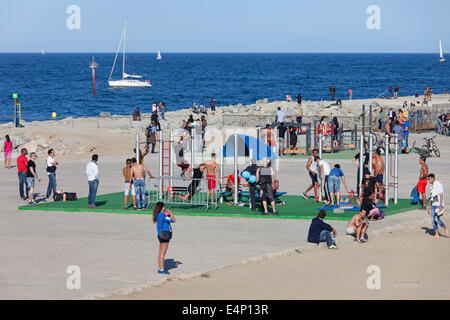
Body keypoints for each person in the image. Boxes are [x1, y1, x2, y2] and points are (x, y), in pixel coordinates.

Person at [153, 202, 176, 274]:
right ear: (162, 207)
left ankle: (160, 267)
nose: (165, 207)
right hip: (165, 235)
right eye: (164, 207)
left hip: (160, 234)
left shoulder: (158, 215)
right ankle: (162, 269)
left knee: (160, 252)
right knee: (163, 253)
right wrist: (170, 213)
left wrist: (167, 213)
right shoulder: (163, 216)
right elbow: (173, 220)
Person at [427, 174, 448, 238]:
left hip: (438, 204)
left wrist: (441, 206)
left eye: (429, 179)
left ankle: (445, 227)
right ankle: (436, 234)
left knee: (436, 219)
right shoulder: (431, 186)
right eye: (428, 179)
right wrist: (429, 206)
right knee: (433, 220)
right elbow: (431, 196)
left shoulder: (439, 185)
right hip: (433, 204)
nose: (428, 180)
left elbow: (441, 195)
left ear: (433, 178)